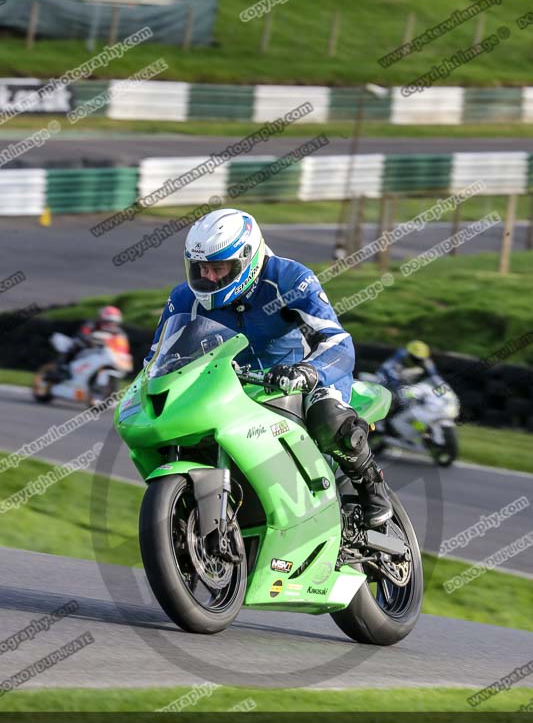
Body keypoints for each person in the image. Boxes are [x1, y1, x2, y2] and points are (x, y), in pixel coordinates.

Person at [145, 208, 393, 529]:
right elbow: (155, 360)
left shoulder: (289, 279)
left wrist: (308, 372)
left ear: (246, 260)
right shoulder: (183, 299)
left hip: (301, 381)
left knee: (327, 416)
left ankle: (371, 487)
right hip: (231, 390)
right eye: (201, 268)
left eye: (218, 268)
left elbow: (337, 342)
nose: (208, 278)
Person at [51, 306, 129, 380]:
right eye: (108, 321)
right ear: (101, 319)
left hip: (107, 353)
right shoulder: (91, 324)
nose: (111, 324)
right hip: (88, 347)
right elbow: (83, 334)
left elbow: (122, 345)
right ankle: (63, 368)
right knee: (76, 344)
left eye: (113, 322)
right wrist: (90, 341)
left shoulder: (119, 332)